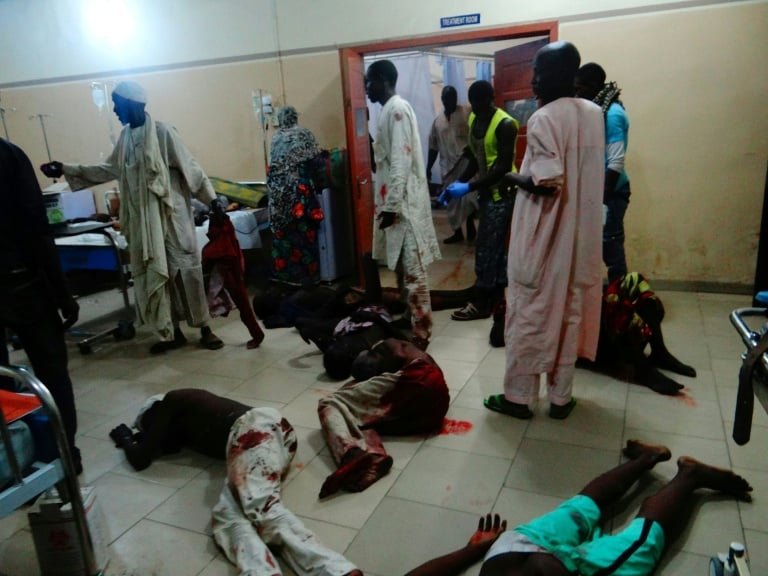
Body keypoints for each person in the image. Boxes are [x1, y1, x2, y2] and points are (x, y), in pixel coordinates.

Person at [41, 81, 224, 354]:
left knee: (188, 274)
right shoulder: (125, 138)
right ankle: (171, 331)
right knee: (156, 276)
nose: (115, 110)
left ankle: (205, 328)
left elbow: (191, 168)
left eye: (117, 104)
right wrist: (66, 168)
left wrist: (213, 201)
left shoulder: (163, 133)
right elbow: (106, 169)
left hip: (172, 218)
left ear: (133, 103)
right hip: (144, 224)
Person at [402, 440, 753, 576]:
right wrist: (474, 551)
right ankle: (646, 459)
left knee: (642, 542)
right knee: (581, 507)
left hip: (554, 572)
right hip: (508, 554)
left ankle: (689, 477)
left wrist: (471, 549)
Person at [109, 389, 362, 576]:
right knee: (229, 516)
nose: (154, 436)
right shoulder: (189, 420)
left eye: (152, 427)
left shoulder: (172, 400)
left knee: (264, 508)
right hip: (269, 435)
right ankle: (264, 571)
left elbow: (141, 458)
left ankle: (335, 569)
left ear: (156, 412)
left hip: (256, 430)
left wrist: (126, 439)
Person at [483, 41, 604, 420]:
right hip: (579, 238)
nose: (534, 80)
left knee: (529, 313)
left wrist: (509, 175)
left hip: (543, 238)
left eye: (541, 71)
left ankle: (518, 399)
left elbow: (547, 182)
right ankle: (561, 398)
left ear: (568, 75)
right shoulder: (593, 112)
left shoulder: (544, 118)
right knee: (568, 313)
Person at [0, 138, 82, 474]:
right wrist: (63, 294)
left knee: (1, 384)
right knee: (52, 375)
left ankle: (12, 460)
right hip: (24, 285)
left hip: (19, 282)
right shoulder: (9, 155)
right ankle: (65, 453)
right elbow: (38, 229)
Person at [365, 59, 441, 351]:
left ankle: (421, 333)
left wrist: (392, 206)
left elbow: (401, 160)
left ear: (383, 80)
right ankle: (410, 317)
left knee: (412, 272)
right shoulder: (387, 111)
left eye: (369, 82)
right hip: (395, 203)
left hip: (403, 207)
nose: (367, 89)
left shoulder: (396, 109)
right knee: (400, 267)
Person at [317, 337, 449, 498]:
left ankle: (350, 453)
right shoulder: (407, 349)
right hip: (432, 412)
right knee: (365, 417)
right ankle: (375, 457)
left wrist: (363, 383)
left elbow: (398, 356)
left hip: (420, 379)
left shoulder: (387, 345)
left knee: (328, 403)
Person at [444, 80, 519, 323]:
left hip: (504, 194)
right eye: (472, 102)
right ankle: (494, 300)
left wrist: (469, 186)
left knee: (487, 249)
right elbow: (476, 158)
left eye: (479, 102)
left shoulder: (505, 124)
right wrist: (456, 185)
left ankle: (482, 303)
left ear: (491, 99)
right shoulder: (475, 120)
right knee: (492, 249)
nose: (474, 108)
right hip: (487, 193)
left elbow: (503, 167)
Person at [586, 272, 697, 395]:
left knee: (634, 280)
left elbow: (616, 265)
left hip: (595, 324)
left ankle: (659, 352)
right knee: (614, 302)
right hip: (584, 344)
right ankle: (643, 370)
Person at [575, 62, 632, 282]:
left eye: (581, 88)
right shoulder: (596, 111)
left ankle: (619, 295)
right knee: (594, 244)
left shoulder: (612, 114)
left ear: (596, 86)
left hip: (611, 191)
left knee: (610, 243)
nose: (578, 93)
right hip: (596, 190)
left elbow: (616, 162)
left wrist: (602, 200)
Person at [266, 105, 324, 285]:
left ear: (281, 120)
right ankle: (308, 279)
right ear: (295, 118)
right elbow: (317, 162)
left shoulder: (276, 139)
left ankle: (286, 279)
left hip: (279, 200)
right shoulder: (304, 134)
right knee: (304, 237)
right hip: (300, 195)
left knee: (285, 239)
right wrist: (320, 185)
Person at [425, 86, 477, 244]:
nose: (450, 101)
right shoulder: (438, 121)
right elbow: (433, 146)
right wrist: (428, 168)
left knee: (468, 198)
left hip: (466, 162)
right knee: (451, 201)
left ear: (456, 98)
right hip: (447, 166)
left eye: (452, 97)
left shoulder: (467, 112)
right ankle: (457, 232)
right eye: (446, 98)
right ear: (442, 99)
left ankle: (470, 228)